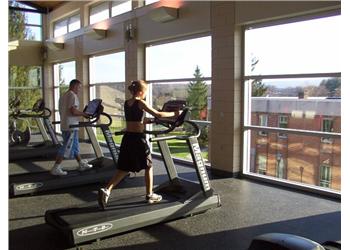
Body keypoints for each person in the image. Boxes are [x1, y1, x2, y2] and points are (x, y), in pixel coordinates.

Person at [98, 80, 180, 209]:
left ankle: (107, 190)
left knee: (124, 168)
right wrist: (175, 114)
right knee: (149, 166)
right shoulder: (140, 102)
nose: (145, 95)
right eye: (145, 92)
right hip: (138, 139)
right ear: (141, 92)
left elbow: (136, 119)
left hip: (128, 138)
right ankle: (149, 195)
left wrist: (149, 121)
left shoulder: (127, 103)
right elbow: (158, 114)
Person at [51, 79, 93, 176]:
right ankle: (56, 167)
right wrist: (84, 114)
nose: (79, 90)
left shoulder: (63, 95)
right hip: (71, 126)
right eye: (79, 87)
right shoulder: (72, 96)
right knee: (66, 147)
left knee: (74, 146)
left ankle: (81, 163)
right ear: (74, 86)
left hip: (65, 125)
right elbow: (73, 111)